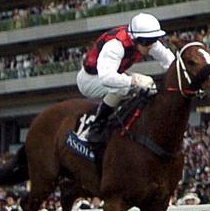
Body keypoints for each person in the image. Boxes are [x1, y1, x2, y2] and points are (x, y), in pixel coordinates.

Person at [75, 12, 175, 141]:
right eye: (147, 42)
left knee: (149, 84)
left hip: (111, 74)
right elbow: (106, 77)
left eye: (154, 40)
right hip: (90, 80)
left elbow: (170, 61)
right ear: (135, 39)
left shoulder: (145, 42)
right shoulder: (115, 46)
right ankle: (97, 126)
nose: (151, 45)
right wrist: (132, 81)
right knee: (125, 87)